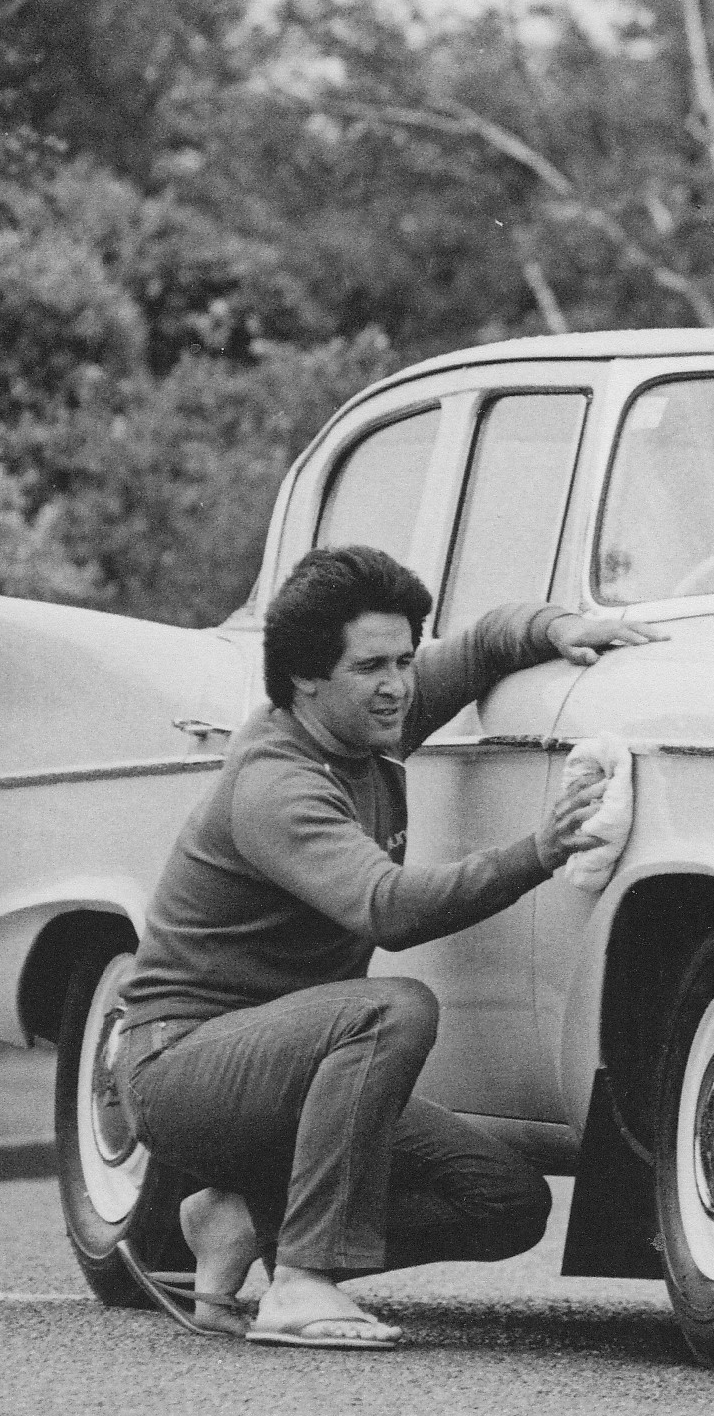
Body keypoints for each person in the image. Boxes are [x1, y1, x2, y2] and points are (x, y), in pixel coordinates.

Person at [114, 544, 663, 1349]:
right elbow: (387, 909)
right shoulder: (278, 781)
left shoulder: (369, 723)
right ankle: (302, 1282)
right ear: (304, 676)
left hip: (290, 1068)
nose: (398, 684)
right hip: (183, 1072)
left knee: (504, 1200)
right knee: (392, 1009)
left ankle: (242, 1220)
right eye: (373, 665)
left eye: (406, 659)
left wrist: (558, 626)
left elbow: (480, 646)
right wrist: (537, 852)